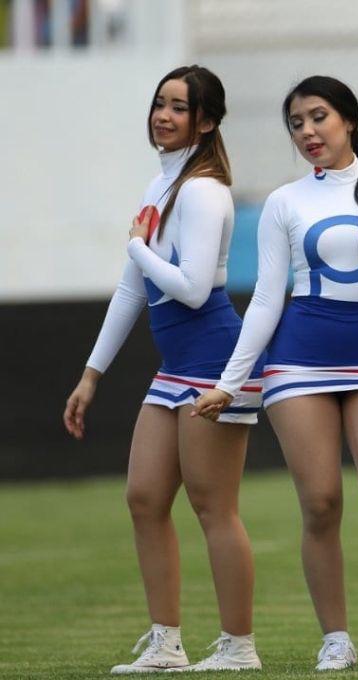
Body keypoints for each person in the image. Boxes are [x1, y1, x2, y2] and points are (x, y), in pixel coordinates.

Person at [192, 76, 358, 670]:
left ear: (348, 120)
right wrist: (230, 382)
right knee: (321, 504)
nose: (307, 132)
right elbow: (265, 299)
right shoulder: (284, 202)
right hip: (298, 362)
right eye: (296, 123)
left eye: (318, 117)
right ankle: (335, 638)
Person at [62, 65, 263, 673]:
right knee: (145, 498)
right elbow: (134, 290)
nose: (163, 116)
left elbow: (195, 289)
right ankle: (166, 644)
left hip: (214, 362)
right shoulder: (161, 184)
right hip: (176, 366)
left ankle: (239, 647)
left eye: (179, 107)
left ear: (206, 122)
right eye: (160, 103)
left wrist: (135, 246)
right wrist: (91, 375)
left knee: (213, 506)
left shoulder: (203, 190)